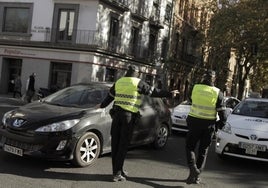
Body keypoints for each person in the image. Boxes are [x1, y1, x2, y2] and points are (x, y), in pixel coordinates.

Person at [96, 65, 178, 182]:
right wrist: (169, 94)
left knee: (116, 144)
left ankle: (118, 169)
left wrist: (101, 106)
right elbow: (154, 92)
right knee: (123, 145)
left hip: (116, 116)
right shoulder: (137, 83)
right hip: (128, 117)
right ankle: (117, 174)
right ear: (136, 73)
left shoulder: (119, 82)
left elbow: (109, 98)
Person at [185, 70, 226, 184]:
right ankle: (196, 175)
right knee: (203, 150)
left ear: (203, 78)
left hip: (194, 122)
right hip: (208, 125)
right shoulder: (218, 92)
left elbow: (190, 101)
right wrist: (220, 126)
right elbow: (223, 114)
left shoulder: (195, 88)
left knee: (190, 147)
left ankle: (193, 169)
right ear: (214, 79)